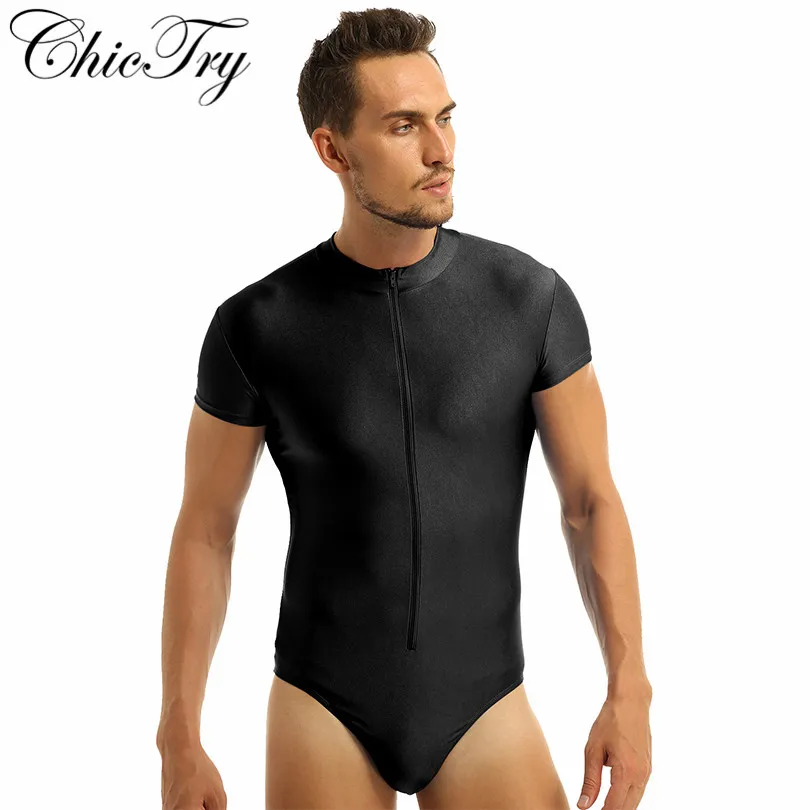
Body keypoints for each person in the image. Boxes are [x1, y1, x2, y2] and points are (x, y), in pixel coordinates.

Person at [156, 8, 653, 810]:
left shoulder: (529, 300)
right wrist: (179, 736)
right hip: (322, 701)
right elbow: (206, 530)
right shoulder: (258, 325)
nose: (440, 149)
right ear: (332, 150)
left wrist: (630, 692)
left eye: (445, 118)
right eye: (403, 126)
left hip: (486, 702)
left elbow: (591, 502)